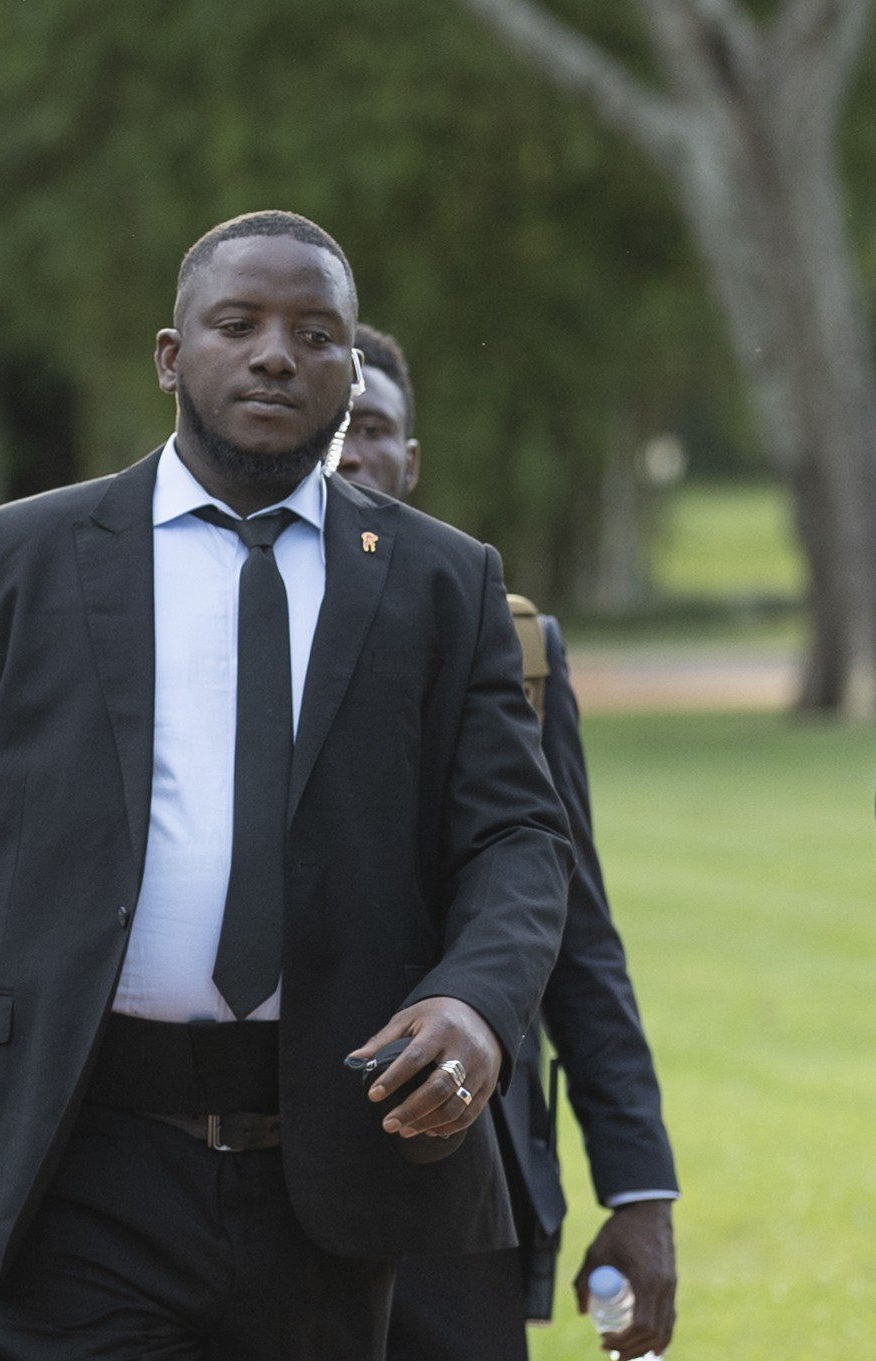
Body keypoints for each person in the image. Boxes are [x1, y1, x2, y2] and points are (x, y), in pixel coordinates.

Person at [0, 211, 574, 1360]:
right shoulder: (11, 562)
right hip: (77, 1152)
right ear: (171, 357)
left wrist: (478, 998)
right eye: (238, 324)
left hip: (327, 1163)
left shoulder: (442, 581)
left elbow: (520, 837)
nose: (275, 353)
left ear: (346, 375)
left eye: (314, 333)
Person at [340, 324, 679, 1361]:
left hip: (464, 1162)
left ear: (410, 459)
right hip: (244, 1169)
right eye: (332, 427)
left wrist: (637, 1185)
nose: (347, 451)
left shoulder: (515, 646)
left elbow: (573, 929)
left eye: (372, 428)